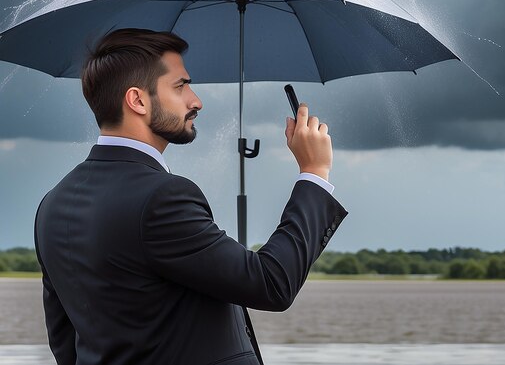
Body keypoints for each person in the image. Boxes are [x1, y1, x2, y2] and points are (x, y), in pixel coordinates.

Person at [34, 28, 347, 365]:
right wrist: (314, 173)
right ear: (137, 100)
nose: (196, 101)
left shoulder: (52, 205)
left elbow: (65, 343)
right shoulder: (162, 197)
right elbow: (272, 283)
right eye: (180, 86)